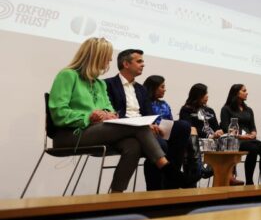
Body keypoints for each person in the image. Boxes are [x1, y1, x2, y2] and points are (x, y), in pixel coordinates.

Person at [48, 37, 185, 193]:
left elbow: (109, 109)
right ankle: (167, 168)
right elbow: (58, 113)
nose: (111, 60)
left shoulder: (99, 84)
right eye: (107, 57)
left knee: (133, 145)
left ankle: (116, 196)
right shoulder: (68, 75)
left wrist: (109, 115)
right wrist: (89, 116)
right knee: (138, 127)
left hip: (95, 131)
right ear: (96, 56)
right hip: (69, 134)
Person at [105, 49, 192, 190]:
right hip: (126, 129)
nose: (143, 64)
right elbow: (111, 113)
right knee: (161, 145)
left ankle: (171, 183)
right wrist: (144, 125)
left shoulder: (141, 89)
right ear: (126, 64)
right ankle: (157, 187)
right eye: (139, 61)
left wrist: (151, 124)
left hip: (146, 127)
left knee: (183, 126)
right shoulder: (108, 84)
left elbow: (149, 113)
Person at [144, 75, 212, 184]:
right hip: (152, 132)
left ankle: (196, 168)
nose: (165, 89)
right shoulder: (145, 102)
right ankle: (197, 169)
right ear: (153, 87)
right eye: (162, 87)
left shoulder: (164, 104)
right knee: (189, 128)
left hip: (167, 132)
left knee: (185, 129)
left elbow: (170, 120)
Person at [179, 83, 244, 186]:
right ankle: (201, 171)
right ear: (197, 95)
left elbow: (216, 126)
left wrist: (219, 131)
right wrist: (209, 136)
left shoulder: (209, 110)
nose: (207, 96)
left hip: (215, 141)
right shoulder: (186, 110)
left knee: (230, 139)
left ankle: (229, 176)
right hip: (197, 141)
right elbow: (189, 129)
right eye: (204, 94)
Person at [220, 84, 261, 185]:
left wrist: (253, 133)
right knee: (253, 149)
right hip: (235, 140)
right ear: (236, 93)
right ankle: (249, 182)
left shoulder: (248, 110)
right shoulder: (226, 109)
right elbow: (226, 128)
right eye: (244, 90)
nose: (247, 92)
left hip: (249, 138)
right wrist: (242, 136)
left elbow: (253, 126)